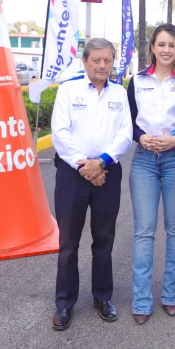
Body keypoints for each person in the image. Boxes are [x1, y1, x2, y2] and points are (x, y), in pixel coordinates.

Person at [50, 38, 133, 331]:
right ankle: (64, 303)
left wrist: (102, 162)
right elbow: (60, 132)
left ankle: (102, 297)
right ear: (85, 61)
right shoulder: (68, 90)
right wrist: (85, 166)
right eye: (96, 60)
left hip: (107, 173)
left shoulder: (119, 93)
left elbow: (126, 132)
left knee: (104, 238)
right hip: (73, 174)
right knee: (68, 242)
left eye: (107, 60)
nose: (102, 65)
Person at [127, 23, 175, 326]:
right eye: (161, 44)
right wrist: (140, 137)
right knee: (144, 232)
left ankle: (171, 294)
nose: (166, 50)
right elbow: (129, 121)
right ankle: (141, 300)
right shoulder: (137, 81)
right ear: (152, 47)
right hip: (144, 161)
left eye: (172, 44)